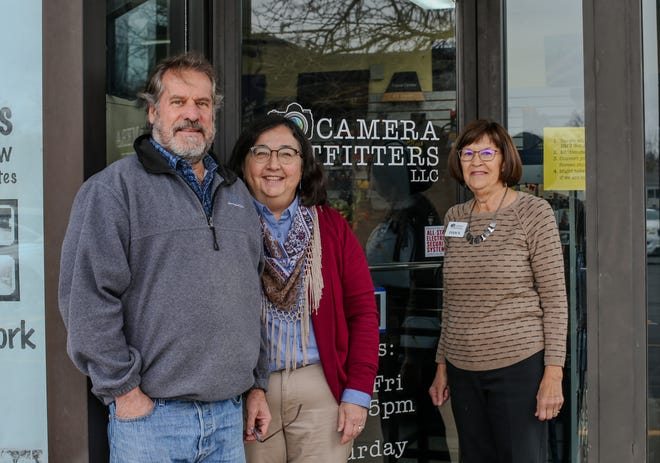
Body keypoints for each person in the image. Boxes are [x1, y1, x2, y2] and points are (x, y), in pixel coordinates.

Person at [58, 53, 271, 463]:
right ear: (153, 111)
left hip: (229, 418)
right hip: (152, 423)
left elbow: (250, 298)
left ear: (213, 114)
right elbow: (86, 299)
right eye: (178, 102)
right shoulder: (113, 191)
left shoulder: (237, 194)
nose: (192, 114)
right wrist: (124, 391)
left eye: (203, 104)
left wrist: (257, 385)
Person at [228, 114, 380, 463]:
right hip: (246, 394)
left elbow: (363, 314)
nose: (274, 165)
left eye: (286, 154)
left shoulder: (332, 228)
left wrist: (357, 392)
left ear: (302, 164)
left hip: (320, 389)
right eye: (261, 152)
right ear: (244, 161)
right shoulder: (226, 226)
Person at [428, 119, 568, 463]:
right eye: (468, 153)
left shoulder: (533, 212)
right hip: (462, 369)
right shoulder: (454, 217)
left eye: (487, 152)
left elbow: (555, 300)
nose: (477, 161)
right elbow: (452, 300)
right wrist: (442, 364)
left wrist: (554, 372)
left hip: (518, 367)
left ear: (504, 160)